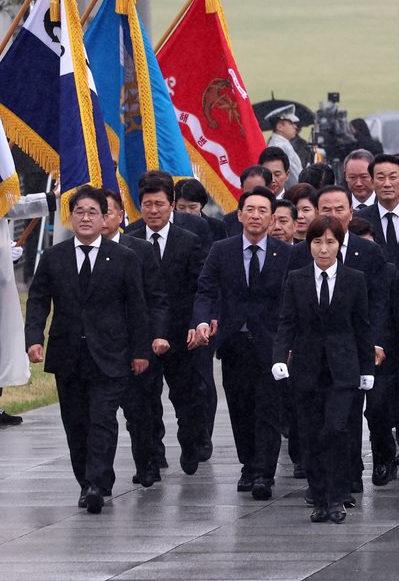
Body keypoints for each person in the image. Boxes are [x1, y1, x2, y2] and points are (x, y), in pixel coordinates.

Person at [25, 186, 149, 514]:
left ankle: (97, 482)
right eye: (79, 211)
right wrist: (34, 338)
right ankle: (87, 481)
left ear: (106, 218)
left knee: (102, 419)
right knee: (76, 423)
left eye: (93, 211)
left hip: (110, 355)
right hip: (69, 355)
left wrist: (140, 351)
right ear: (70, 216)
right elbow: (38, 300)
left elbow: (136, 307)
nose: (85, 217)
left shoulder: (124, 257)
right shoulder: (54, 257)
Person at [193, 188, 294, 500]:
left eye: (263, 210)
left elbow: (293, 300)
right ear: (239, 215)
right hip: (233, 342)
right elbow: (206, 290)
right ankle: (248, 464)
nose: (255, 216)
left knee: (268, 408)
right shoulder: (221, 250)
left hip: (271, 344)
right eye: (249, 209)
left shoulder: (286, 254)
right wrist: (201, 320)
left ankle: (263, 472)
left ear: (271, 217)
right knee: (240, 407)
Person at [271, 215, 373, 523]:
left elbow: (362, 327)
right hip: (307, 366)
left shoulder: (354, 278)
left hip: (343, 368)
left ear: (340, 245)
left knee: (336, 430)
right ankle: (319, 496)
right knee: (310, 434)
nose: (324, 249)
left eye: (330, 242)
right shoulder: (297, 278)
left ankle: (338, 494)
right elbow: (287, 321)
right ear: (309, 245)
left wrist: (367, 367)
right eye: (318, 242)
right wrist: (279, 357)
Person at [293, 186, 392, 492]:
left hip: (352, 351)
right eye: (325, 210)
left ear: (352, 212)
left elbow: (378, 303)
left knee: (347, 418)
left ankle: (347, 478)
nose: (333, 215)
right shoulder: (299, 253)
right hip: (311, 353)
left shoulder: (370, 252)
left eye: (339, 209)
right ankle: (320, 480)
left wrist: (375, 342)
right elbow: (288, 306)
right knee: (314, 421)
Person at [128, 175, 208, 476]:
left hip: (180, 336)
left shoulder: (189, 241)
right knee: (144, 402)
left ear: (171, 204)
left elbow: (198, 288)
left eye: (160, 204)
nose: (154, 210)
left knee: (186, 398)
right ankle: (150, 458)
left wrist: (193, 325)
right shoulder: (130, 239)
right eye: (147, 204)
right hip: (143, 337)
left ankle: (190, 446)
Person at [102, 190, 171, 490]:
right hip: (98, 347)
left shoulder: (139, 249)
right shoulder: (72, 252)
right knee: (100, 417)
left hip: (136, 345)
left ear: (121, 216)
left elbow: (155, 298)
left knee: (140, 412)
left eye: (107, 212)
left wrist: (155, 337)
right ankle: (98, 476)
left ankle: (147, 463)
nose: (100, 219)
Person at [265, 105, 304, 186]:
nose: (295, 126)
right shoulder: (279, 146)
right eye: (291, 123)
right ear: (280, 127)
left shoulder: (282, 143)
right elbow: (293, 176)